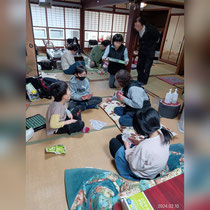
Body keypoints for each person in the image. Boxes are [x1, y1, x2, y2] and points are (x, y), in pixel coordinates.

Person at [109, 107, 173, 181]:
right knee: (119, 137)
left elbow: (134, 165)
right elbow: (152, 146)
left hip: (141, 174)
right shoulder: (164, 133)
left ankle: (126, 168)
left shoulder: (144, 146)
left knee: (113, 142)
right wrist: (137, 142)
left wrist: (127, 148)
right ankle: (126, 144)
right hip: (152, 168)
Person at [134, 17, 160, 85]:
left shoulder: (150, 29)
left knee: (147, 67)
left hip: (150, 51)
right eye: (135, 25)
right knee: (139, 66)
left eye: (138, 25)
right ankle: (139, 79)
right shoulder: (137, 30)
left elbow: (157, 36)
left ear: (142, 24)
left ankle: (144, 81)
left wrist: (153, 45)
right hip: (142, 51)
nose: (136, 27)